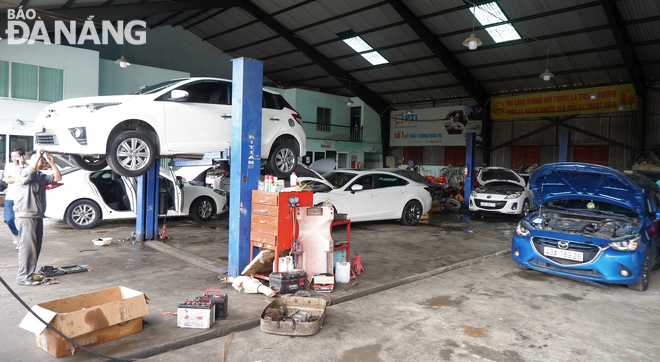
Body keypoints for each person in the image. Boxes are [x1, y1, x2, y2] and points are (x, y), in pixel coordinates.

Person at [14, 150, 61, 286]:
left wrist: (52, 163)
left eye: (41, 159)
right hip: (26, 215)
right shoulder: (23, 173)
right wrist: (38, 155)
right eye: (38, 159)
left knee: (35, 247)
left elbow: (57, 178)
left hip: (37, 215)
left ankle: (29, 272)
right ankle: (23, 277)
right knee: (27, 247)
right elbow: (29, 172)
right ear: (30, 161)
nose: (41, 161)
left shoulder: (39, 176)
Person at [3, 147, 25, 246]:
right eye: (12, 156)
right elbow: (7, 180)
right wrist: (22, 178)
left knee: (23, 220)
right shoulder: (9, 166)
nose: (13, 158)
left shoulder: (27, 166)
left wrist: (15, 178)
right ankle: (17, 234)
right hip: (11, 197)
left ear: (22, 156)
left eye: (15, 156)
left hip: (23, 197)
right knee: (8, 219)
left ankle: (23, 240)